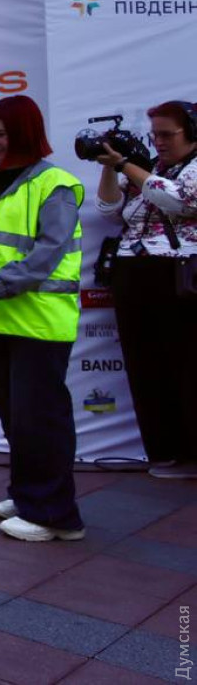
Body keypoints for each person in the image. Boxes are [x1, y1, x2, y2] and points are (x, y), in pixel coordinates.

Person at [0, 95, 85, 542]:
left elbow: (49, 251)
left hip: (38, 321)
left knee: (39, 419)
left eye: (0, 133)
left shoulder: (56, 184)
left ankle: (55, 515)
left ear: (24, 133)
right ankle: (29, 496)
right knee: (15, 418)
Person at [95, 100, 197, 479]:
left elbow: (180, 200)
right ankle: (164, 451)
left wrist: (125, 165)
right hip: (133, 272)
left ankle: (192, 454)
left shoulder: (190, 168)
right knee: (144, 366)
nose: (160, 142)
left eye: (167, 134)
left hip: (178, 274)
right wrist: (109, 168)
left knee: (186, 366)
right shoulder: (150, 167)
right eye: (155, 135)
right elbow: (109, 209)